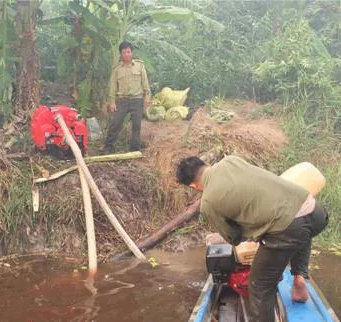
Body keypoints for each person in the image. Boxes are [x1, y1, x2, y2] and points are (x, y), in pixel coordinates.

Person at [176, 155, 329, 322]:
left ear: (193, 185)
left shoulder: (208, 203)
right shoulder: (231, 160)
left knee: (258, 284)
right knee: (298, 228)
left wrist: (249, 234)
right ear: (205, 164)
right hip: (316, 214)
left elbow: (233, 238)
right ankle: (299, 277)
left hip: (289, 229)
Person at [101, 41, 151, 153]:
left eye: (128, 52)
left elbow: (145, 83)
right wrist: (112, 102)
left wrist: (147, 96)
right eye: (124, 52)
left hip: (137, 100)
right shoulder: (117, 69)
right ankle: (108, 147)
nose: (127, 54)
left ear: (132, 52)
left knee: (136, 126)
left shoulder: (140, 66)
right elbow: (113, 86)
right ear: (121, 54)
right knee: (115, 123)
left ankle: (134, 149)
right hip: (122, 100)